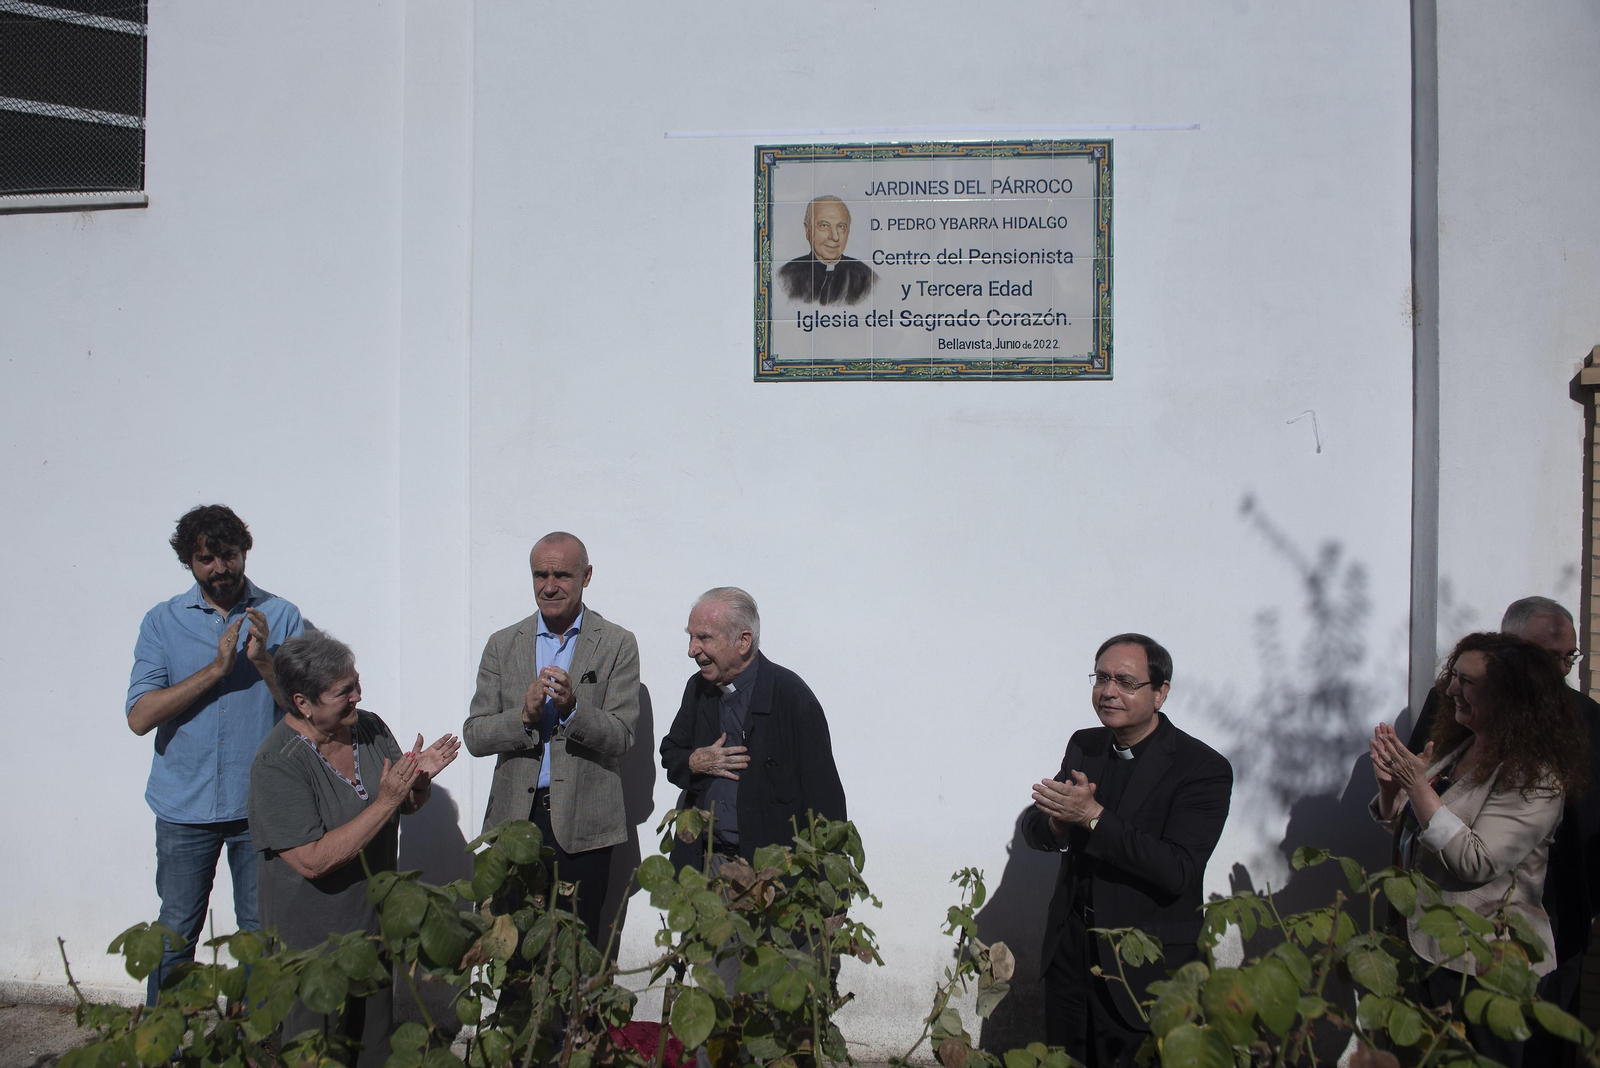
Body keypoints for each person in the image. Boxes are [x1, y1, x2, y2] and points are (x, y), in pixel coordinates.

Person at [1372, 631, 1587, 1068]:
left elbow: (1476, 860)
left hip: (1485, 964)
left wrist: (1417, 786)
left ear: (1509, 696)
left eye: (1467, 682)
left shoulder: (1535, 776)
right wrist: (1392, 791)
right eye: (1454, 676)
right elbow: (1421, 829)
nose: (1450, 690)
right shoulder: (1462, 749)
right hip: (1427, 949)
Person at [249, 630, 459, 1067]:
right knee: (318, 1054)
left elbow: (408, 804)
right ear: (303, 702)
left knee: (373, 1052)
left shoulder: (369, 727)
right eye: (344, 691)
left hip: (371, 934)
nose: (358, 696)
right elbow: (312, 860)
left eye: (357, 684)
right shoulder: (278, 763)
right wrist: (386, 800)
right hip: (311, 952)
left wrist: (417, 784)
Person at [1022, 633, 1234, 1067]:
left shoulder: (1201, 768)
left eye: (1125, 681)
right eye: (1101, 678)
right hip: (1071, 953)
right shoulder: (1086, 744)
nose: (1109, 691)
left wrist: (1094, 818)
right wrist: (1059, 822)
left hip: (1142, 961)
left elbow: (1178, 869)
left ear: (1160, 693)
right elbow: (1036, 825)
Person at [126, 504, 305, 1005]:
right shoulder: (162, 622)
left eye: (228, 555)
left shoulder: (283, 615)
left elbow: (310, 712)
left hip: (259, 807)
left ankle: (251, 1046)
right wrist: (216, 670)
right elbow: (140, 717)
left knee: (258, 934)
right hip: (184, 806)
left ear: (244, 553)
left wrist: (265, 661)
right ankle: (165, 1048)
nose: (220, 568)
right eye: (206, 558)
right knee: (177, 931)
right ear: (188, 561)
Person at [463, 532, 639, 946]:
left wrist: (574, 710)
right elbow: (474, 734)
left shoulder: (616, 644)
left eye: (562, 574)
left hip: (584, 824)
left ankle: (574, 1015)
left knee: (576, 949)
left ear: (587, 576)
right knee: (514, 949)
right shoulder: (503, 645)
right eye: (540, 574)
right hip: (515, 820)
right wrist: (523, 716)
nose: (550, 585)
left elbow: (623, 735)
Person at [659, 587, 846, 873]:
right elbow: (671, 753)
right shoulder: (698, 689)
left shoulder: (791, 697)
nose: (691, 650)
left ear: (743, 641)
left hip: (772, 873)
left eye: (704, 637)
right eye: (691, 637)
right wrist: (694, 762)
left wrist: (832, 888)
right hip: (703, 866)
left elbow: (825, 800)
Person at [777, 195, 877, 306]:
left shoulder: (866, 278)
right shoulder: (786, 277)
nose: (835, 237)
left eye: (841, 226)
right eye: (824, 225)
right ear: (808, 230)